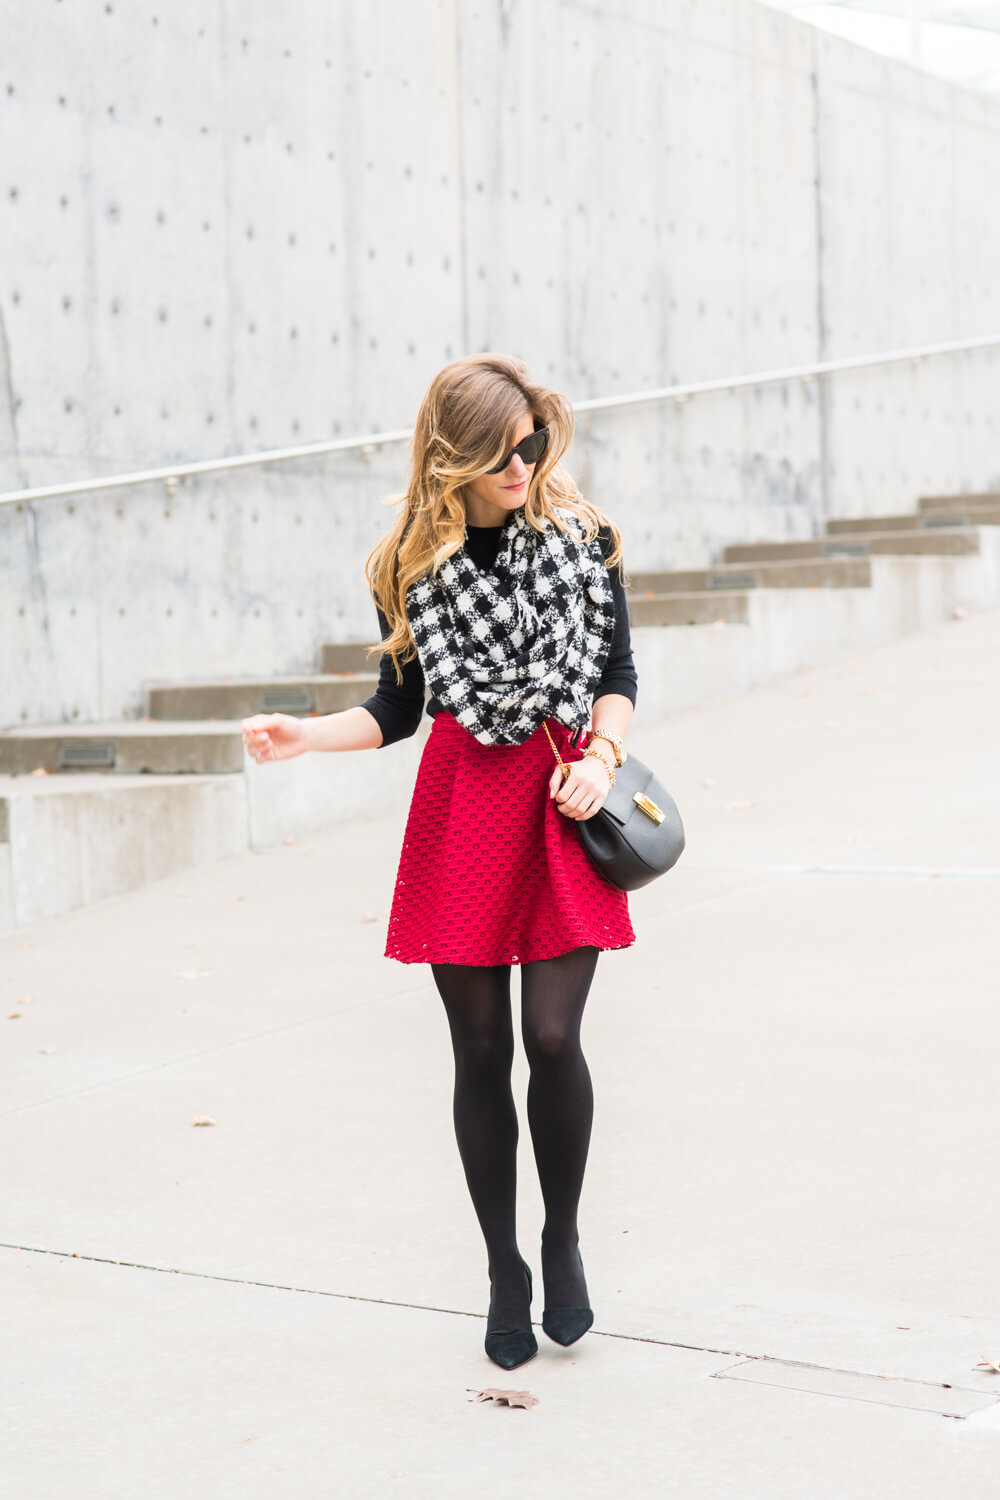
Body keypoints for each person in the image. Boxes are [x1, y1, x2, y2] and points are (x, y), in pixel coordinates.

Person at [242, 353, 638, 1371]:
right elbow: (397, 711)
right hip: (465, 804)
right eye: (503, 447)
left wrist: (600, 757)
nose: (524, 461)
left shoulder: (584, 540)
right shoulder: (410, 570)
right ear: (454, 456)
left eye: (532, 440)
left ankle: (561, 1238)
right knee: (478, 1056)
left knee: (551, 1038)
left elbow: (616, 676)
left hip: (559, 797)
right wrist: (302, 735)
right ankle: (504, 1265)